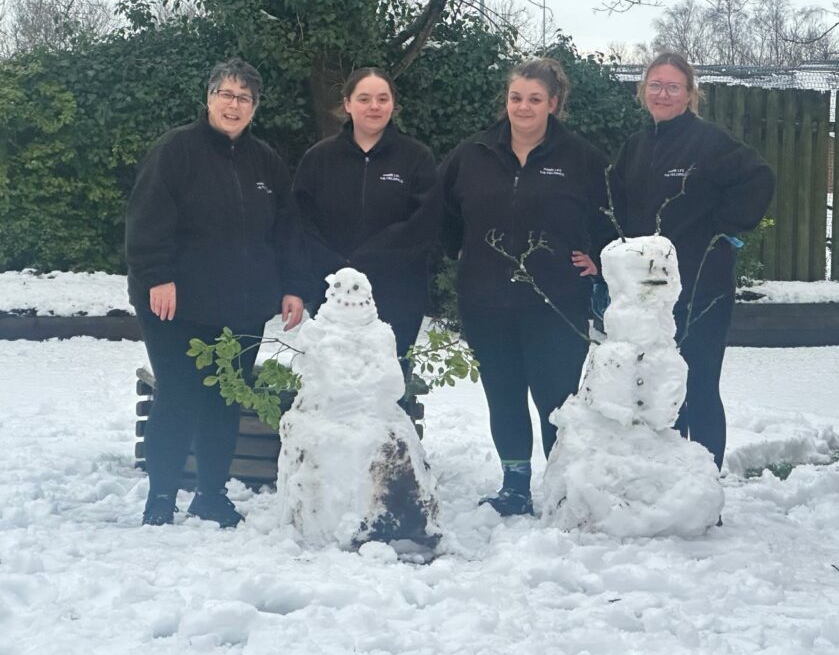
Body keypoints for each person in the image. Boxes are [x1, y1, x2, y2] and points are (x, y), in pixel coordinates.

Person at [126, 58, 307, 528]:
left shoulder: (265, 161)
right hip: (175, 304)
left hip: (241, 306)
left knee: (226, 398)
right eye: (226, 94)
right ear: (208, 98)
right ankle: (161, 497)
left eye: (244, 98)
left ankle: (211, 495)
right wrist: (157, 276)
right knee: (178, 394)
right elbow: (147, 218)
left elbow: (286, 229)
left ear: (255, 107)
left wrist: (292, 286)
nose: (234, 104)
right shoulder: (175, 151)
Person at [440, 58, 609, 516]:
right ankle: (514, 486)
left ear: (553, 103)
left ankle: (560, 486)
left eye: (535, 99)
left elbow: (612, 217)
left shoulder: (581, 158)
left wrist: (600, 259)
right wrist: (463, 253)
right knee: (504, 393)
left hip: (557, 302)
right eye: (516, 97)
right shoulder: (472, 154)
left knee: (557, 398)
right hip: (485, 301)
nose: (523, 107)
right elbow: (443, 213)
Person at [612, 52, 775, 472]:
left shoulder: (709, 142)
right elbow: (616, 208)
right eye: (655, 85)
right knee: (658, 386)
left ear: (689, 94)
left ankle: (703, 481)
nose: (663, 94)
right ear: (643, 91)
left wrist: (720, 229)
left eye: (673, 87)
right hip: (650, 293)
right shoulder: (636, 147)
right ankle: (669, 480)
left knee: (698, 385)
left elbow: (759, 177)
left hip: (703, 285)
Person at [292, 68, 439, 419]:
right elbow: (299, 221)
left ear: (393, 105)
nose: (374, 106)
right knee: (333, 389)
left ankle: (387, 453)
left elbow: (423, 224)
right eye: (364, 98)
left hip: (397, 295)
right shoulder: (319, 158)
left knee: (385, 393)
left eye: (382, 98)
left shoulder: (416, 158)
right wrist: (336, 268)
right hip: (332, 294)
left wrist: (365, 262)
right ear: (347, 104)